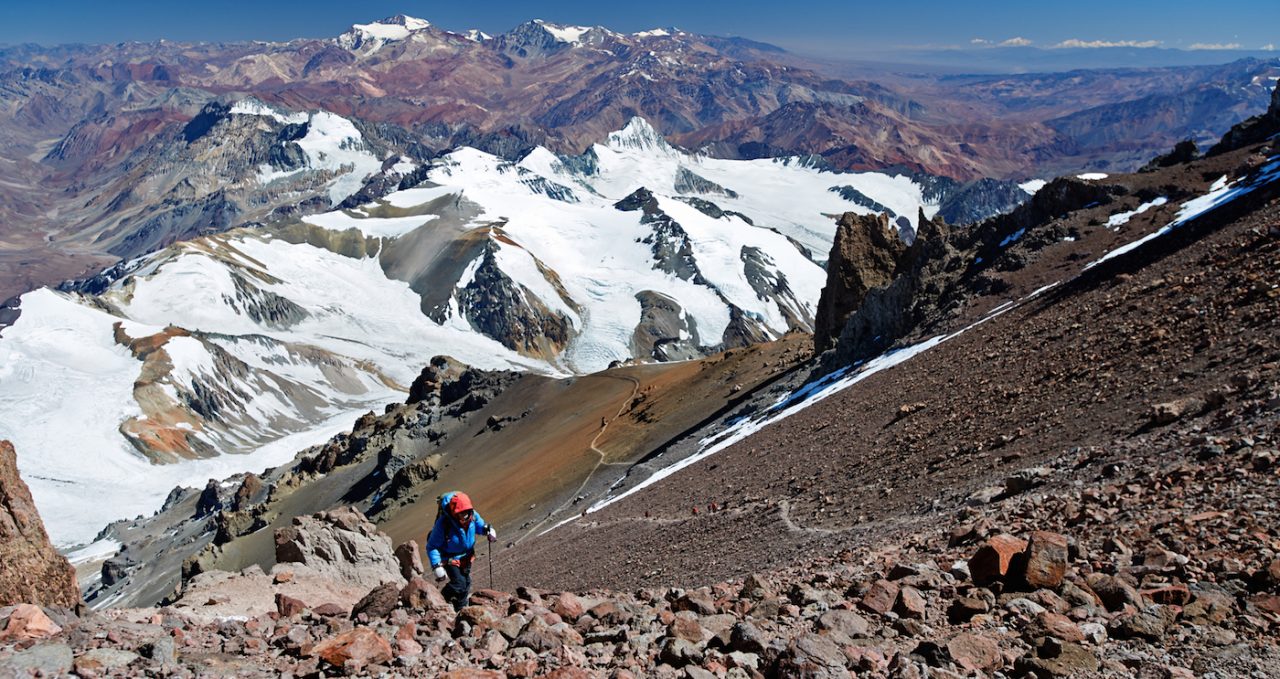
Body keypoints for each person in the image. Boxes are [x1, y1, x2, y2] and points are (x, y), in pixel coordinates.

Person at [426, 491, 496, 610]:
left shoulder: (473, 515)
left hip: (467, 557)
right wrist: (436, 566)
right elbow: (432, 546)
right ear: (454, 512)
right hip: (449, 558)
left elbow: (481, 526)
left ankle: (460, 607)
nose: (463, 516)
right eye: (460, 513)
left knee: (466, 583)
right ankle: (441, 599)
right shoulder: (443, 523)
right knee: (459, 583)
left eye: (465, 513)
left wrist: (489, 531)